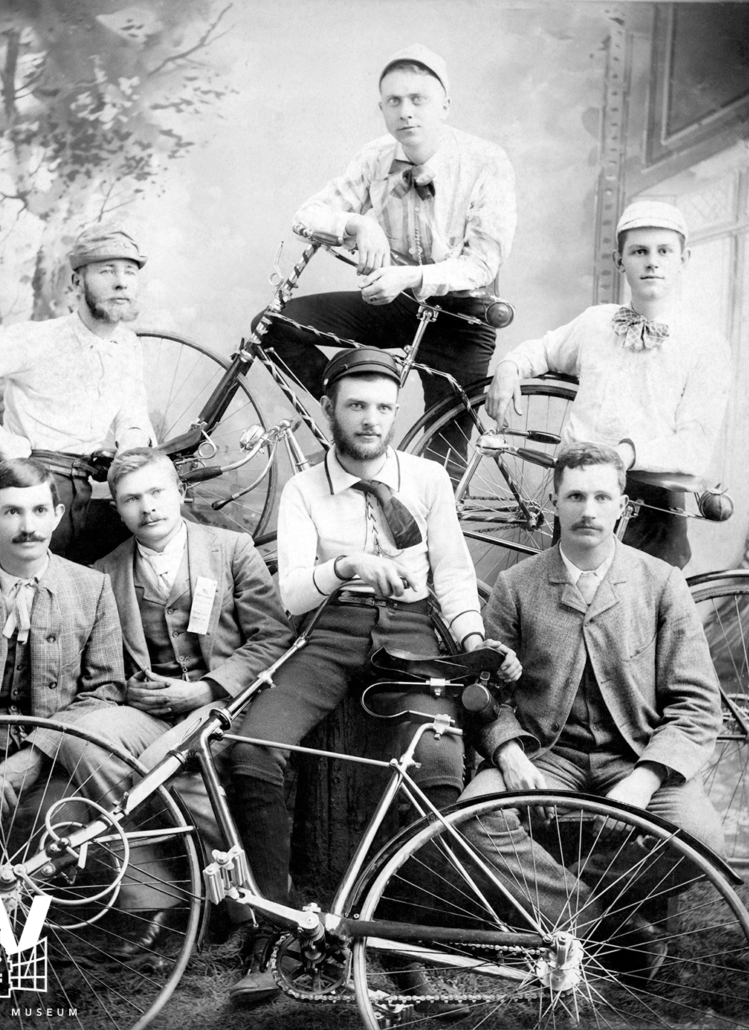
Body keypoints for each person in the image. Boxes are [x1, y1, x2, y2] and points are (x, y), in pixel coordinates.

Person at [227, 348, 520, 1004]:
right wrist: (350, 566)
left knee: (436, 771)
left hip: (412, 639)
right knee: (252, 752)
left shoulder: (428, 479)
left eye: (384, 408)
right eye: (356, 405)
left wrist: (472, 641)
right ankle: (274, 930)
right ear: (329, 409)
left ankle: (392, 945)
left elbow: (453, 575)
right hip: (331, 636)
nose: (370, 420)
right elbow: (292, 595)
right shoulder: (304, 488)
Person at [460, 442, 724, 968]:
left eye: (603, 497)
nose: (589, 510)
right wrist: (509, 752)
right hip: (547, 756)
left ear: (623, 507)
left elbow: (697, 703)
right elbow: (486, 695)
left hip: (636, 754)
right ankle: (599, 926)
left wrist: (646, 779)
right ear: (554, 503)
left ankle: (589, 905)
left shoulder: (661, 583)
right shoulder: (516, 586)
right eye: (576, 496)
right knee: (472, 820)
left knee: (702, 838)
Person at [0, 458, 172, 956]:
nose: (28, 526)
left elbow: (104, 691)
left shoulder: (92, 589)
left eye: (40, 510)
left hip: (53, 769)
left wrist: (38, 754)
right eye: (12, 512)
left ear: (58, 516)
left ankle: (31, 957)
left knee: (52, 846)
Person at [259, 44, 516, 464]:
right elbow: (306, 215)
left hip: (463, 317)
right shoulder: (375, 157)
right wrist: (358, 225)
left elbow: (482, 263)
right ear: (381, 108)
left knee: (443, 461)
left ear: (445, 106)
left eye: (418, 99)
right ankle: (354, 421)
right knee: (273, 326)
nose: (406, 112)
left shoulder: (486, 161)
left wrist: (407, 276)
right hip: (399, 305)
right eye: (394, 101)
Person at [95, 447, 294, 948]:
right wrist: (128, 687)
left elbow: (273, 637)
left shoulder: (231, 548)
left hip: (225, 700)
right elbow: (101, 664)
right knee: (85, 742)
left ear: (180, 492)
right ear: (117, 509)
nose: (148, 507)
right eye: (131, 499)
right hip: (148, 708)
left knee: (168, 764)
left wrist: (207, 688)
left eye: (157, 492)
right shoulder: (105, 573)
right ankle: (159, 891)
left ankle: (246, 902)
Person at [486, 200, 731, 568]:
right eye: (639, 251)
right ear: (620, 260)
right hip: (582, 491)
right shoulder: (596, 323)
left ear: (684, 259)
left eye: (664, 251)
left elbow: (695, 444)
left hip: (653, 502)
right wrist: (510, 367)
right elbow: (545, 350)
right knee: (571, 593)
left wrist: (624, 455)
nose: (652, 262)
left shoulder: (706, 345)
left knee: (646, 599)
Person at [0, 222, 157, 568]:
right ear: (77, 282)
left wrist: (129, 452)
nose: (121, 282)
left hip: (77, 501)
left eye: (130, 272)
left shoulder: (127, 346)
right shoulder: (39, 339)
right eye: (107, 271)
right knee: (9, 599)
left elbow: (132, 416)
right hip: (19, 493)